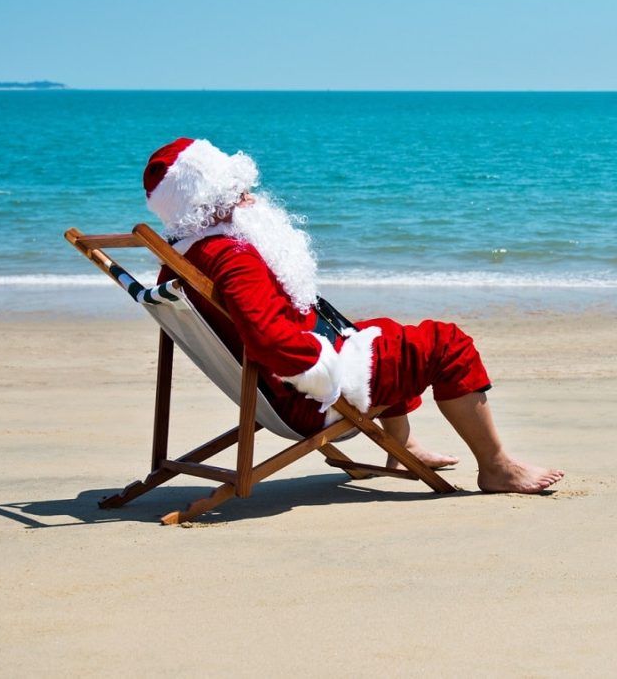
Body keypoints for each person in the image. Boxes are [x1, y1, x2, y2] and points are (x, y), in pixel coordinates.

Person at [143, 137, 563, 494]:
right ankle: (496, 467)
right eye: (235, 192)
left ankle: (404, 447)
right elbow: (270, 342)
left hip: (277, 390)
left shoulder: (181, 258)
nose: (249, 197)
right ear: (208, 203)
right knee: (446, 343)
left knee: (385, 332)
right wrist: (322, 368)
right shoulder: (233, 257)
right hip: (310, 394)